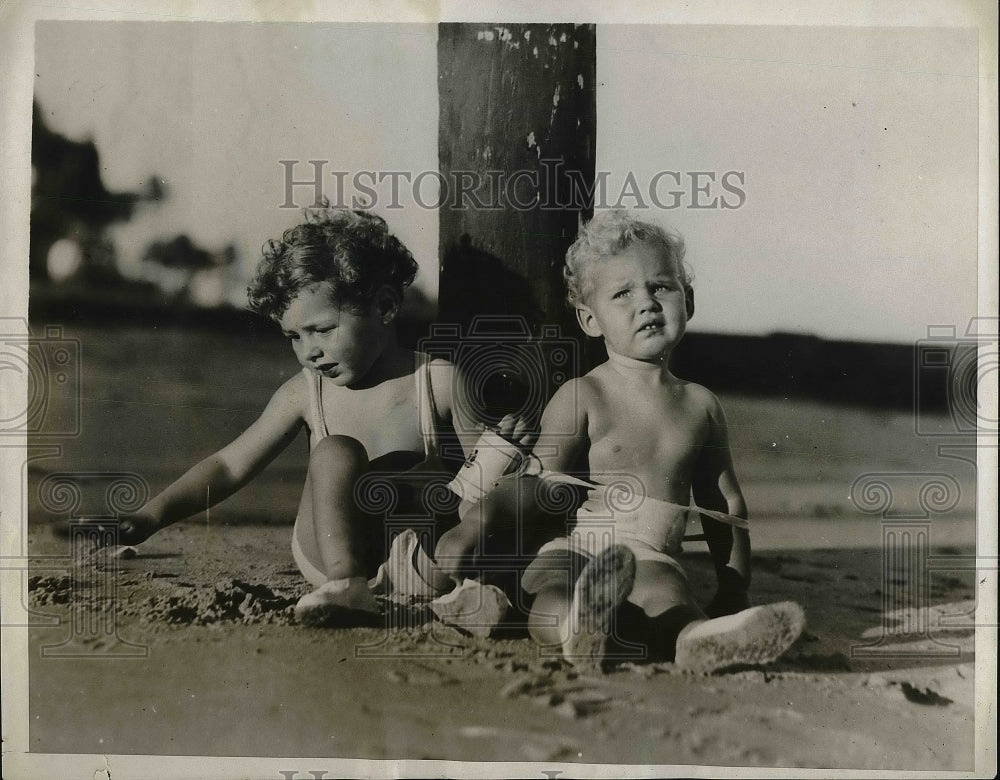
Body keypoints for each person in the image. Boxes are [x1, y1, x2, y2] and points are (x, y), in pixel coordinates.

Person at [90, 206, 529, 628]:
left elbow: (482, 495)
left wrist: (503, 451)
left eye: (321, 329)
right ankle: (347, 584)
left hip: (414, 557)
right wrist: (150, 516)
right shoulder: (304, 392)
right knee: (336, 450)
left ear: (386, 306)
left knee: (445, 476)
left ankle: (467, 590)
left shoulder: (440, 382)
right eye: (293, 336)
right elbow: (228, 465)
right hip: (327, 554)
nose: (309, 351)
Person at [450, 209, 805, 672]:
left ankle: (699, 638)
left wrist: (734, 585)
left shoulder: (701, 405)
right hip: (574, 543)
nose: (647, 303)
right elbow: (534, 486)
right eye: (623, 293)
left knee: (668, 599)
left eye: (661, 286)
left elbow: (725, 504)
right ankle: (577, 627)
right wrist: (476, 524)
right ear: (590, 320)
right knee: (552, 594)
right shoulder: (585, 393)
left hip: (649, 550)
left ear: (689, 300)